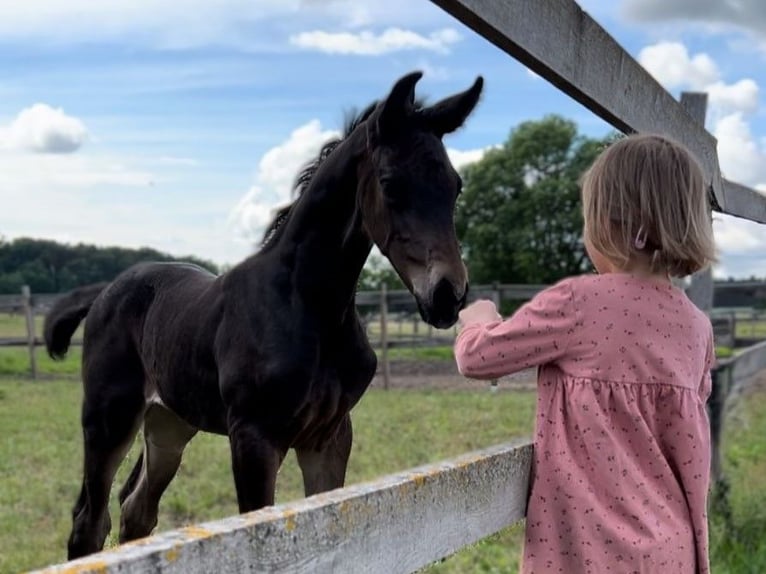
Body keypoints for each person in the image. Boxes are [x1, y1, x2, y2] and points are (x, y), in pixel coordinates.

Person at [454, 134, 717, 573]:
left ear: (617, 223)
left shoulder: (577, 303)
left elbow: (478, 359)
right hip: (671, 553)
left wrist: (477, 320)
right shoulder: (697, 327)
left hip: (588, 554)